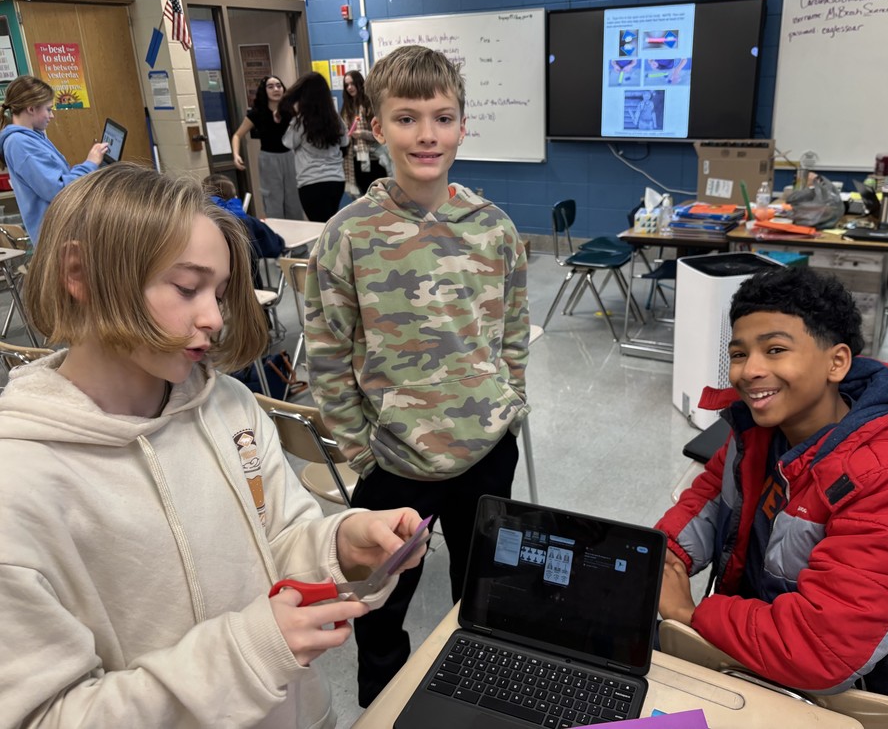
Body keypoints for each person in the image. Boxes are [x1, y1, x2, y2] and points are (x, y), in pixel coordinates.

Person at [0, 162, 427, 727]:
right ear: (79, 273)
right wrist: (246, 654)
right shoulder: (18, 487)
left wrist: (340, 546)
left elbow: (275, 540)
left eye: (220, 293)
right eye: (186, 288)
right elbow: (44, 716)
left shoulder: (229, 406)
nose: (214, 318)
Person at [303, 44, 530, 707]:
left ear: (462, 126)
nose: (426, 134)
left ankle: (475, 703)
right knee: (382, 606)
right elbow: (327, 353)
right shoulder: (347, 235)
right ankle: (383, 706)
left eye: (442, 118)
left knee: (482, 596)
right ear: (376, 126)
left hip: (485, 452)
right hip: (393, 461)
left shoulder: (494, 229)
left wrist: (509, 407)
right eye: (406, 119)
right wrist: (358, 451)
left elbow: (514, 332)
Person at [656, 266, 888, 729]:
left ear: (837, 363)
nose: (750, 370)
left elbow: (824, 649)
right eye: (738, 353)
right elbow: (709, 496)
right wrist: (663, 555)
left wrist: (688, 613)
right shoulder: (760, 431)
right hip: (750, 653)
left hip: (854, 694)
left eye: (775, 349)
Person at [0, 74, 108, 245]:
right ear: (31, 109)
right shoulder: (20, 143)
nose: (52, 116)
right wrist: (90, 164)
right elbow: (57, 190)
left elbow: (58, 178)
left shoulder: (34, 137)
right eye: (48, 109)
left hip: (63, 229)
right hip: (57, 239)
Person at [230, 75, 303, 220]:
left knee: (294, 201)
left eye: (278, 86)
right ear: (264, 91)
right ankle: (275, 233)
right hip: (269, 159)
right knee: (273, 202)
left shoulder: (291, 110)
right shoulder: (257, 113)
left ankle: (297, 234)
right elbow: (237, 135)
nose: (276, 89)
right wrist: (236, 155)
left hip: (290, 157)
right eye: (271, 87)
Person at [281, 72, 348, 223]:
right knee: (330, 224)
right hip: (336, 180)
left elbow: (287, 143)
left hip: (311, 181)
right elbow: (345, 144)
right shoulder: (336, 119)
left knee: (319, 227)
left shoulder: (301, 122)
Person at [202, 173, 286, 289]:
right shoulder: (247, 222)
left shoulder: (200, 227)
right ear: (235, 197)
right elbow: (272, 245)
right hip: (250, 290)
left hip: (215, 291)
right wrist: (280, 242)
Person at [340, 70, 388, 198]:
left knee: (378, 198)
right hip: (354, 159)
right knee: (363, 198)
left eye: (352, 84)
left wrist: (362, 134)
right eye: (346, 85)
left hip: (373, 159)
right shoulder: (347, 108)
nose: (349, 87)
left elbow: (381, 134)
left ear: (359, 84)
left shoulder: (369, 105)